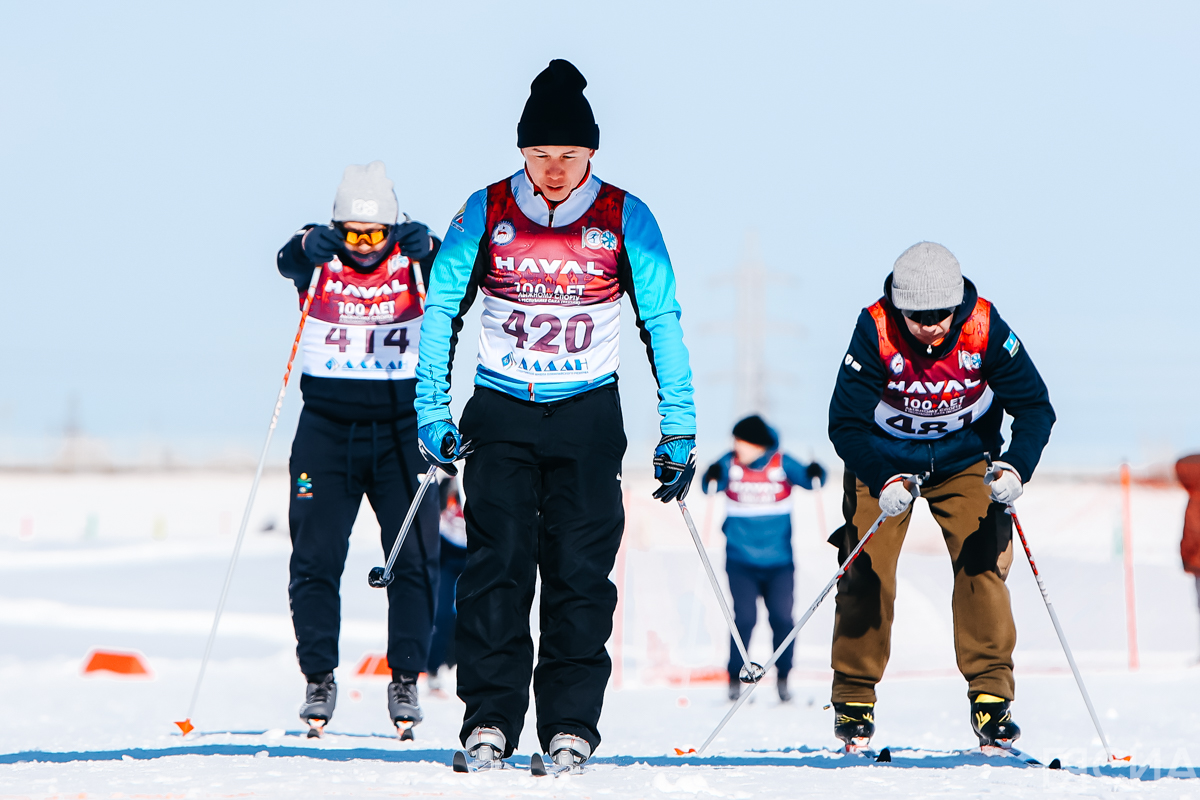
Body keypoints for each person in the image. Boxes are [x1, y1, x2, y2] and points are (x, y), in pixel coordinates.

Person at [414, 59, 697, 768]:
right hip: (502, 411)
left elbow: (660, 319)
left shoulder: (626, 217)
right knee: (496, 570)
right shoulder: (484, 211)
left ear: (591, 152)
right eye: (540, 154)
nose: (554, 169)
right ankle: (490, 721)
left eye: (568, 154)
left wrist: (679, 426)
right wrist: (431, 409)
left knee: (578, 575)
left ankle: (570, 725)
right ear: (522, 153)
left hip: (586, 415)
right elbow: (443, 308)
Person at [827, 242, 1055, 751]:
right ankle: (854, 697)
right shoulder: (876, 329)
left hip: (965, 459)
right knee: (867, 568)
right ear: (899, 307)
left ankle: (992, 700)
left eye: (940, 315)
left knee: (983, 564)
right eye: (918, 316)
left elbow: (1036, 407)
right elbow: (844, 423)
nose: (931, 326)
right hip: (885, 460)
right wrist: (882, 477)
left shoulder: (984, 327)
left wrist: (1017, 467)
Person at [276, 161, 442, 739]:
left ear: (393, 229)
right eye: (352, 233)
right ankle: (318, 675)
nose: (365, 245)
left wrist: (432, 248)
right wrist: (306, 244)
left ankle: (405, 678)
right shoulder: (318, 260)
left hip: (402, 432)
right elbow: (287, 259)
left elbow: (461, 276)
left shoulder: (416, 262)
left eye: (376, 233)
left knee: (416, 561)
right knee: (316, 559)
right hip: (326, 431)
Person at [702, 415, 825, 703]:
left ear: (757, 444)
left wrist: (817, 471)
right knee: (744, 620)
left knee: (782, 619)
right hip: (740, 561)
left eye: (741, 441)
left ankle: (783, 679)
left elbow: (811, 480)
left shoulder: (781, 463)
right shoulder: (730, 464)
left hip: (779, 563)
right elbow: (709, 485)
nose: (736, 446)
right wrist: (710, 475)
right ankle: (735, 678)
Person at [427, 475, 468, 694]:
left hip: (472, 552)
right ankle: (433, 668)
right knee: (442, 613)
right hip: (447, 552)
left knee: (471, 613)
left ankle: (462, 667)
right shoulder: (448, 485)